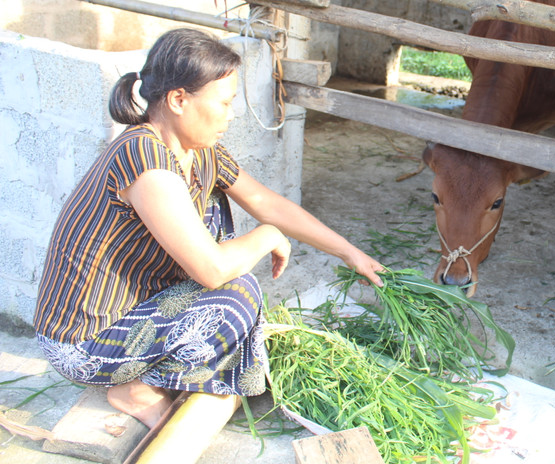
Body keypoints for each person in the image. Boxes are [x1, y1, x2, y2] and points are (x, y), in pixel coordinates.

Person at [33, 28, 384, 428]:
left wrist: (350, 253)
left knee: (225, 240)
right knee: (234, 298)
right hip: (84, 341)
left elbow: (264, 202)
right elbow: (213, 270)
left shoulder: (200, 150)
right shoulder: (144, 156)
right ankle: (137, 386)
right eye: (224, 102)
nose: (230, 115)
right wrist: (267, 236)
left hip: (137, 311)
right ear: (179, 100)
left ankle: (165, 374)